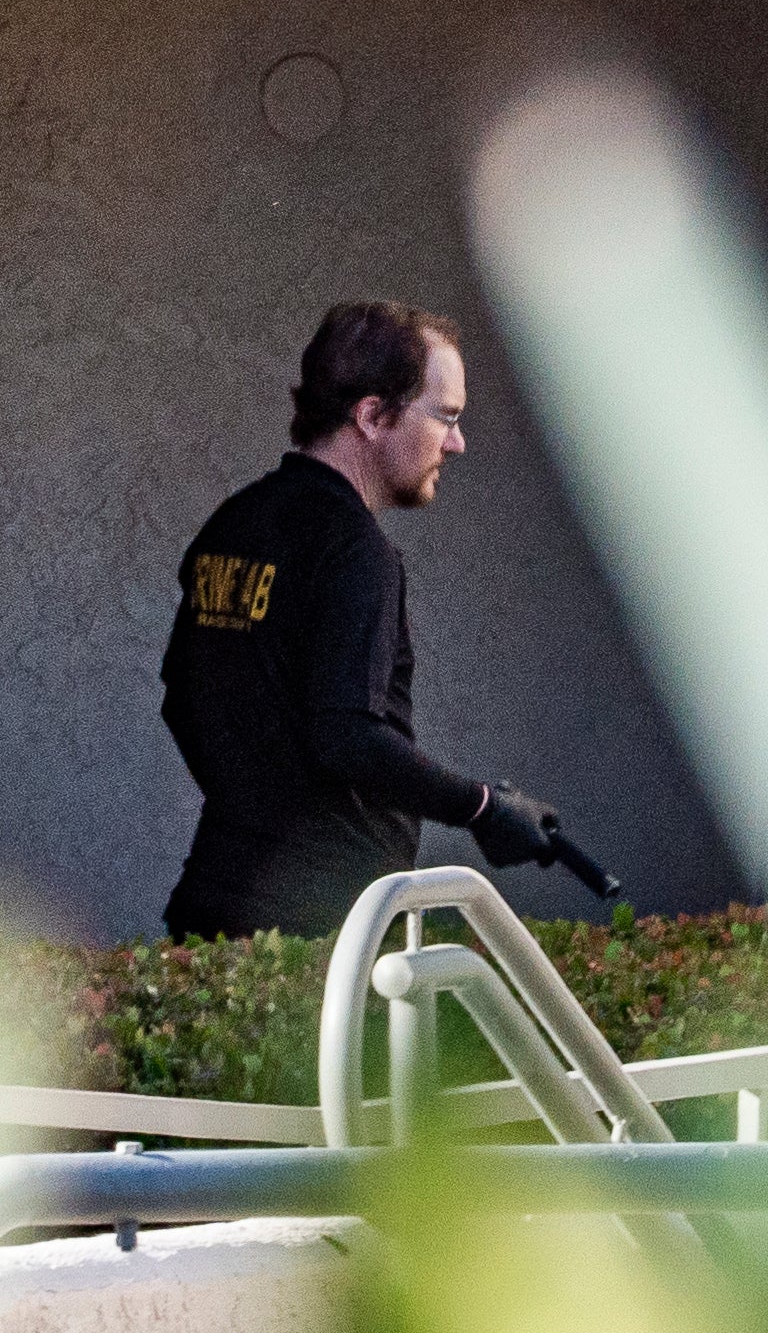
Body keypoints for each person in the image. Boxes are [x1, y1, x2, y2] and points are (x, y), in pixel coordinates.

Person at [160, 301, 563, 939]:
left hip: (214, 900)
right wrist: (484, 808)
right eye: (446, 417)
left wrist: (256, 807)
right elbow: (348, 734)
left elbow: (181, 702)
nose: (457, 442)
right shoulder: (354, 550)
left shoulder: (233, 523)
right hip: (320, 931)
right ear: (373, 415)